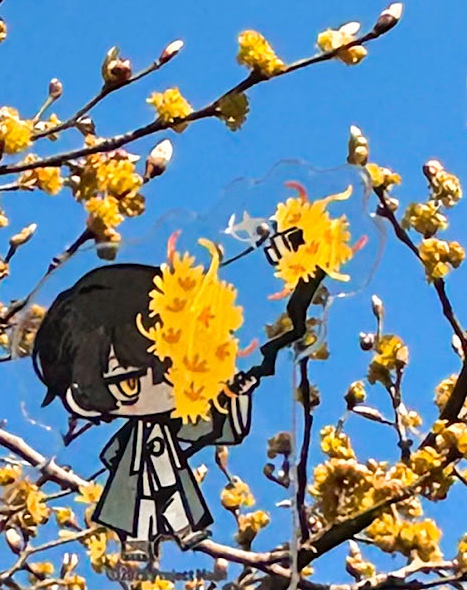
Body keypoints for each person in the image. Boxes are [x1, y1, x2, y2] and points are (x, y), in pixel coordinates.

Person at [31, 229, 301, 562]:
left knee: (171, 494)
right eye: (122, 383)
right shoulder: (135, 433)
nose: (154, 385)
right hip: (138, 471)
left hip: (164, 463)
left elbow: (213, 425)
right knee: (141, 504)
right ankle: (139, 544)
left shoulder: (181, 402)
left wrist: (234, 394)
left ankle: (183, 532)